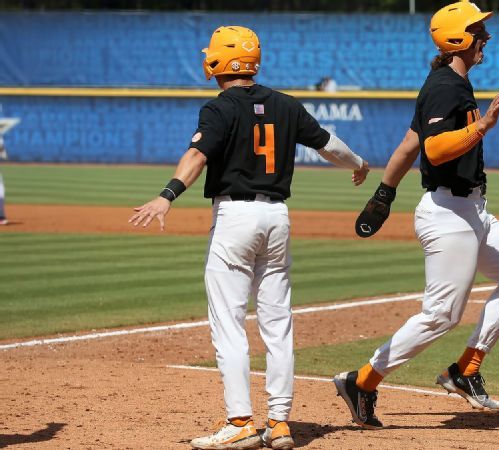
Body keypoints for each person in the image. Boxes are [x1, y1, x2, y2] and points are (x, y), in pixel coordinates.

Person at [128, 26, 369, 450]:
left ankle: (241, 421)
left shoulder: (219, 108)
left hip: (235, 217)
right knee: (277, 326)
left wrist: (168, 195)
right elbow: (329, 145)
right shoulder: (285, 104)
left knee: (229, 325)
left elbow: (197, 155)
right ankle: (279, 424)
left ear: (218, 62)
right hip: (277, 216)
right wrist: (360, 163)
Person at [335, 0, 499, 429]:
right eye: (478, 31)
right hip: (449, 212)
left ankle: (465, 369)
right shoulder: (446, 87)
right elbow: (433, 148)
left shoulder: (448, 84)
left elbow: (410, 143)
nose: (486, 37)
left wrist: (384, 193)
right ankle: (363, 382)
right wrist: (481, 127)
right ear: (458, 39)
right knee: (441, 314)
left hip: (471, 209)